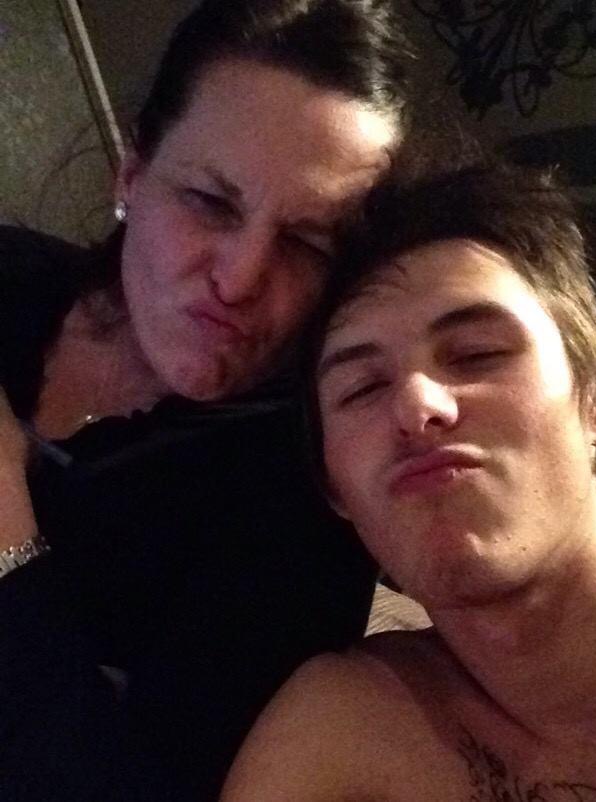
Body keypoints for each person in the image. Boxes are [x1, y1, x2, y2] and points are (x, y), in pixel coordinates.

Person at [0, 1, 413, 799]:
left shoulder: (299, 521)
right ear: (132, 171)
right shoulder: (11, 274)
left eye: (306, 242)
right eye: (210, 201)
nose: (240, 279)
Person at [220, 160, 596, 801]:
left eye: (477, 354)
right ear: (333, 486)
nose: (417, 405)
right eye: (361, 388)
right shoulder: (342, 734)